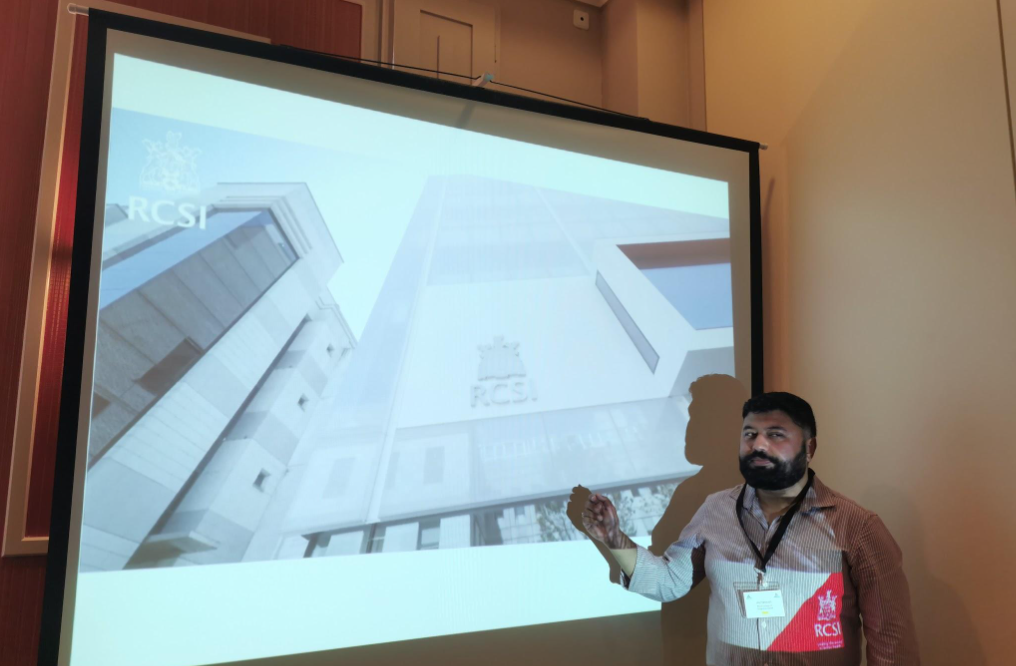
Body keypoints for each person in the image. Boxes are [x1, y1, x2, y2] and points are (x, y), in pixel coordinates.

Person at [582, 391, 919, 666]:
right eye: (750, 434)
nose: (758, 445)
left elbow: (891, 641)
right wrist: (613, 537)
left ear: (809, 448)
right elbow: (669, 582)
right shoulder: (715, 509)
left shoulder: (857, 527)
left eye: (775, 435)